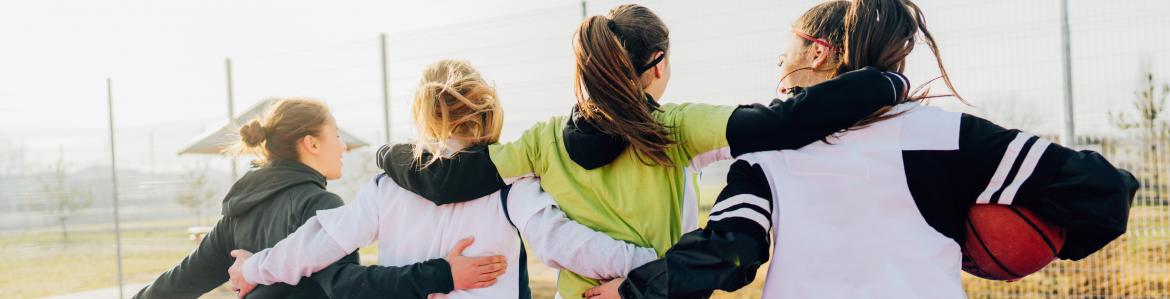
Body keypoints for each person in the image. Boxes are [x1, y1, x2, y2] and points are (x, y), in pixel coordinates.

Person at [592, 1, 1140, 298]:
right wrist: (1005, 248)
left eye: (783, 55)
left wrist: (636, 293)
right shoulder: (946, 136)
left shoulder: (767, 155)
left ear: (819, 52)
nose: (777, 67)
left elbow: (729, 255)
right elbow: (1101, 191)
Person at [374, 4, 910, 298]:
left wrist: (383, 156)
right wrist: (888, 81)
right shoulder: (675, 127)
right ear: (658, 64)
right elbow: (787, 124)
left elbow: (446, 179)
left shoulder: (539, 142)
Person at [227, 60, 660, 299]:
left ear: (423, 114)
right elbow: (564, 245)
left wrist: (255, 268)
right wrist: (659, 267)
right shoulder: (513, 182)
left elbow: (319, 242)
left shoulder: (387, 187)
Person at [135, 98, 504, 299]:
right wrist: (441, 273)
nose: (342, 145)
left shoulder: (238, 211)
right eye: (335, 135)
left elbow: (175, 287)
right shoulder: (320, 205)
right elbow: (346, 287)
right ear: (311, 143)